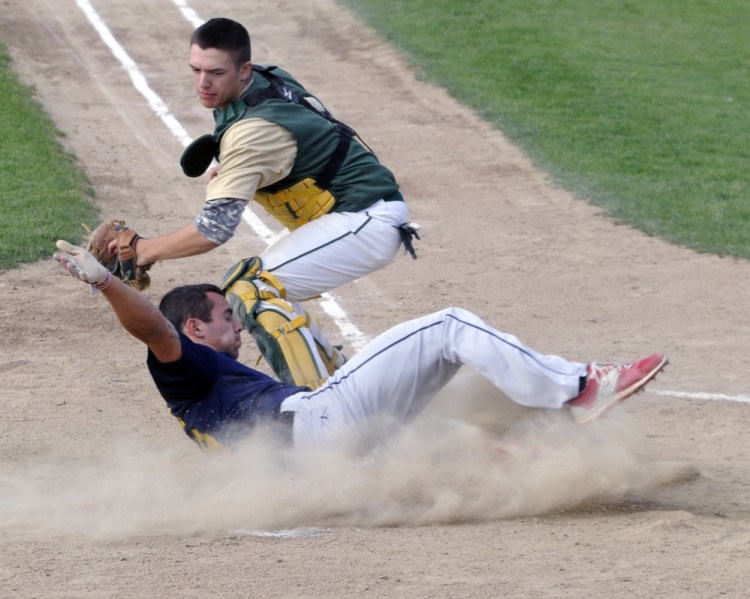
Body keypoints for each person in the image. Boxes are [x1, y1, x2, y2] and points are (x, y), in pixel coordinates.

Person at [55, 240, 668, 453]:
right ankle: (582, 389)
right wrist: (106, 281)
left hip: (329, 462)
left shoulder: (205, 397)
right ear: (194, 329)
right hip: (322, 426)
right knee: (447, 327)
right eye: (226, 318)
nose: (238, 329)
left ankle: (520, 449)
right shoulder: (187, 367)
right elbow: (154, 330)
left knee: (444, 389)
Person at [111, 17, 419, 390]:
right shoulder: (264, 79)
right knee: (265, 290)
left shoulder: (253, 135)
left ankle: (314, 402)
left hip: (365, 220)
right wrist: (235, 167)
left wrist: (145, 251)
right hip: (354, 212)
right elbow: (296, 139)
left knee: (251, 288)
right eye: (195, 70)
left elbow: (214, 230)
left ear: (244, 69)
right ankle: (339, 378)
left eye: (215, 72)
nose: (203, 83)